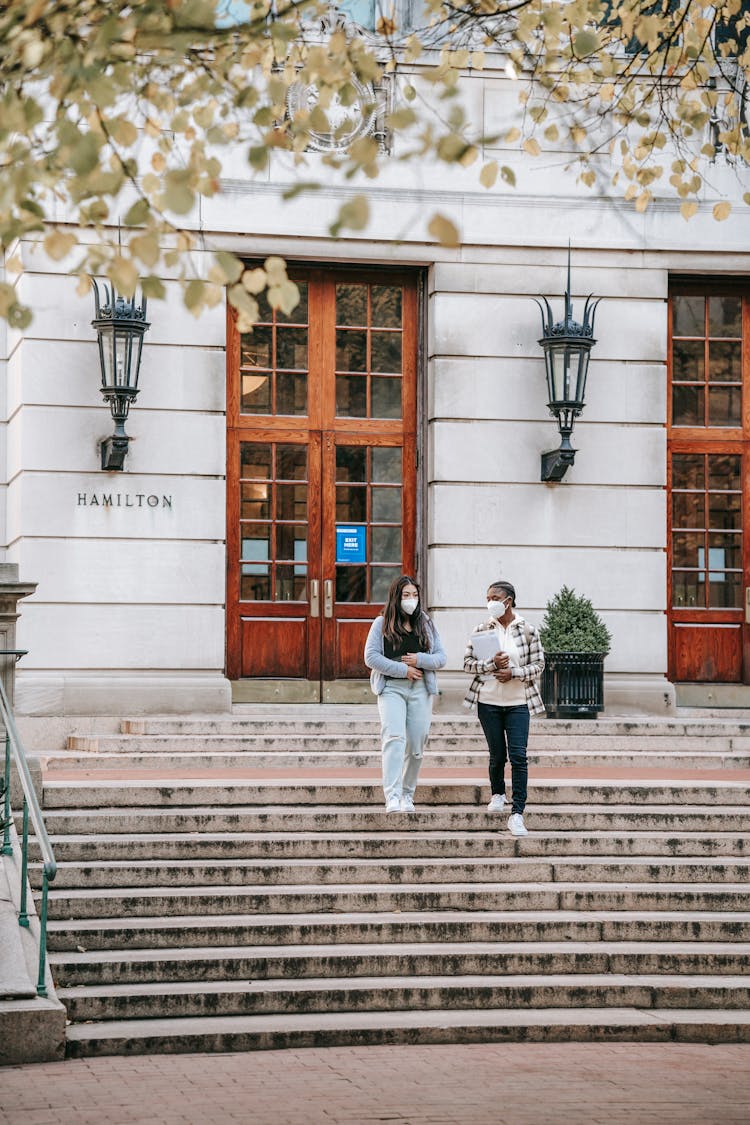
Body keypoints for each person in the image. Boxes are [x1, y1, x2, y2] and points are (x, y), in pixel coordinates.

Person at [463, 580, 545, 836]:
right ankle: (498, 793)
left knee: (519, 757)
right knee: (497, 755)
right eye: (488, 598)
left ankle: (517, 813)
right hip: (488, 702)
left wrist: (514, 672)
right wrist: (490, 664)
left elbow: (539, 665)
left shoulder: (528, 630)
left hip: (518, 703)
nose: (491, 603)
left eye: (495, 597)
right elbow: (467, 664)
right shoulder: (481, 629)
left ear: (508, 600)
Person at [364, 575, 447, 814]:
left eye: (414, 595)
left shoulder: (425, 622)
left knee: (416, 744)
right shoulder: (381, 623)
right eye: (406, 595)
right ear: (396, 597)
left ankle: (407, 794)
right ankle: (392, 795)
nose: (411, 600)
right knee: (394, 739)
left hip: (421, 690)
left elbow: (441, 657)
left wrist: (420, 660)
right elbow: (371, 657)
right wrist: (403, 669)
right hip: (391, 689)